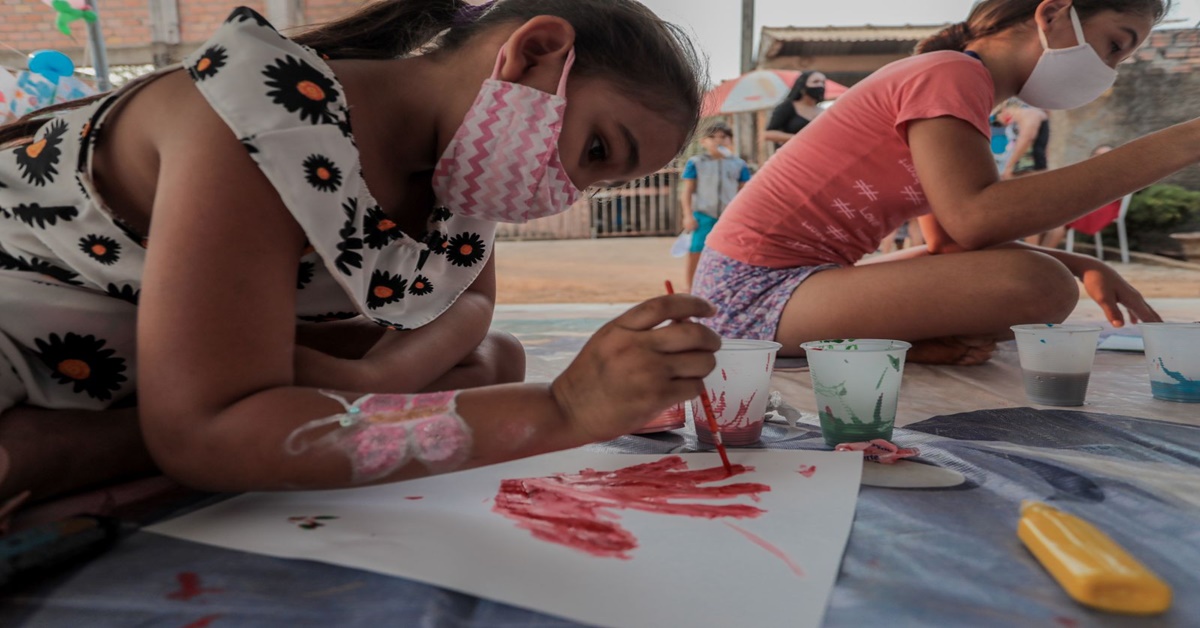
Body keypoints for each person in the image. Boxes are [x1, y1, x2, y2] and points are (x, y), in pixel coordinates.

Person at [0, 0, 721, 502]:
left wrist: (374, 373)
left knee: (493, 359)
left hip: (150, 348)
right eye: (596, 150)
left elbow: (468, 303)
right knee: (208, 429)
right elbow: (202, 437)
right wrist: (563, 411)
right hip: (27, 323)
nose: (571, 188)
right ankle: (80, 439)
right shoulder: (266, 122)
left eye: (601, 182)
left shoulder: (459, 173)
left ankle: (164, 416)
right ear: (536, 52)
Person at [694, 0, 1183, 366]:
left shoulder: (957, 87)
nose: (1110, 69)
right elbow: (976, 220)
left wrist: (1080, 262)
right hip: (751, 297)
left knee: (1028, 290)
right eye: (1115, 45)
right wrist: (1183, 142)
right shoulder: (950, 75)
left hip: (776, 288)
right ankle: (893, 344)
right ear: (1053, 13)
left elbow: (949, 242)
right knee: (1039, 287)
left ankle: (896, 345)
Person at [680, 122, 751, 290]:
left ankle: (723, 288)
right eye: (712, 137)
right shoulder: (696, 163)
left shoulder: (739, 164)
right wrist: (688, 215)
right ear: (703, 141)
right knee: (696, 252)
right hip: (703, 215)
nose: (717, 140)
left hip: (729, 217)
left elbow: (744, 192)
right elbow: (687, 191)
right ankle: (692, 290)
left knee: (729, 253)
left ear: (730, 140)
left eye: (723, 137)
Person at [763, 70, 827, 149]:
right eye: (815, 82)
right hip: (791, 155)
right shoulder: (788, 107)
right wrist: (799, 139)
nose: (820, 85)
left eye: (823, 83)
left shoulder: (824, 112)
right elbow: (768, 134)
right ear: (803, 86)